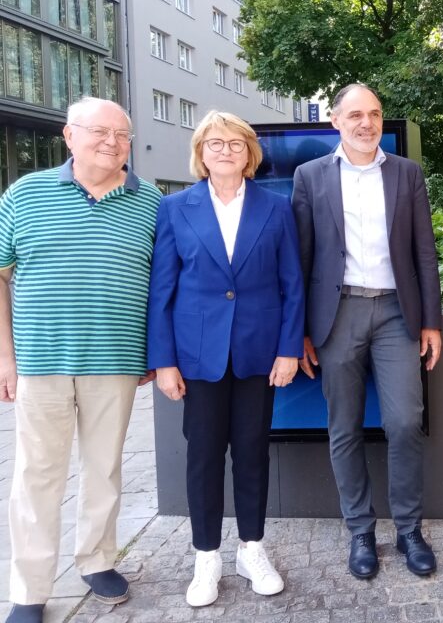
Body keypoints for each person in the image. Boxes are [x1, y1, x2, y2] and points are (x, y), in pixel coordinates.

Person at [0, 98, 161, 623]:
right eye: (99, 132)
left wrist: (155, 354)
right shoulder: (24, 194)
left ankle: (95, 560)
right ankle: (29, 590)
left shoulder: (152, 204)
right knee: (36, 477)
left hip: (115, 360)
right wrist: (6, 356)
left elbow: (164, 286)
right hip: (39, 362)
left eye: (123, 134)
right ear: (69, 136)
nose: (113, 142)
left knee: (104, 470)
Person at [147, 111, 305, 607]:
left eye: (235, 143)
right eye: (214, 143)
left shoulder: (277, 208)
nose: (225, 151)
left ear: (250, 153)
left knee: (253, 453)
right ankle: (206, 557)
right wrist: (165, 361)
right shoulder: (175, 209)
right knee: (203, 456)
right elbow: (162, 291)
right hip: (198, 357)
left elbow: (292, 285)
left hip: (259, 354)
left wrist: (287, 349)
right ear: (200, 153)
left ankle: (251, 549)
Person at [291, 83, 442, 579]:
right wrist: (301, 332)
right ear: (335, 121)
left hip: (398, 314)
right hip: (337, 316)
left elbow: (424, 253)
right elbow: (301, 260)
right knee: (344, 427)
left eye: (375, 113)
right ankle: (360, 530)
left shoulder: (406, 174)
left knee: (404, 422)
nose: (366, 122)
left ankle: (408, 530)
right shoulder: (309, 176)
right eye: (355, 114)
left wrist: (430, 322)